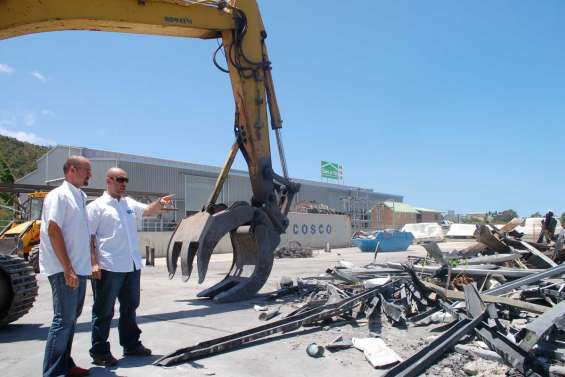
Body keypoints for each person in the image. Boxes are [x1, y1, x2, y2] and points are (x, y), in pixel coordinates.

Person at [87, 167, 173, 366]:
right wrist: (93, 263)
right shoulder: (96, 207)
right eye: (119, 179)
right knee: (104, 310)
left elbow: (148, 211)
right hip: (109, 266)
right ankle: (99, 351)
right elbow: (89, 237)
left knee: (130, 307)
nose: (124, 183)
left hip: (131, 265)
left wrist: (160, 203)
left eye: (126, 180)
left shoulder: (128, 203)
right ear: (108, 181)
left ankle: (131, 344)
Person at [40, 156, 93, 377]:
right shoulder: (59, 196)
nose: (90, 175)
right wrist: (68, 267)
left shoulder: (80, 196)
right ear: (72, 170)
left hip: (79, 269)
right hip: (65, 269)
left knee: (71, 319)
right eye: (86, 170)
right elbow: (53, 230)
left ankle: (65, 365)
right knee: (63, 320)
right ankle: (52, 372)